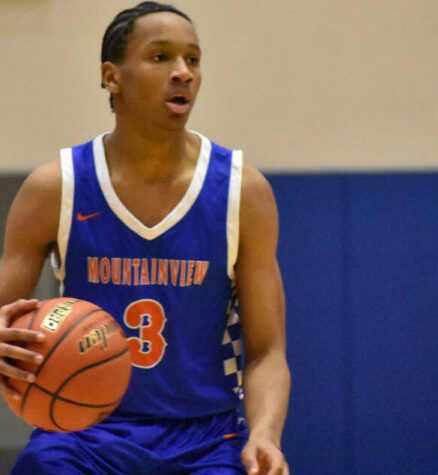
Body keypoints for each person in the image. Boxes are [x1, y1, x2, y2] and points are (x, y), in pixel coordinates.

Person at [0, 2, 290, 474]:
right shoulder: (57, 187)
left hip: (206, 438)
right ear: (112, 77)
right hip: (81, 435)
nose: (183, 73)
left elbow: (267, 351)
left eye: (192, 60)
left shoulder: (242, 191)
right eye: (161, 58)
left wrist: (264, 435)